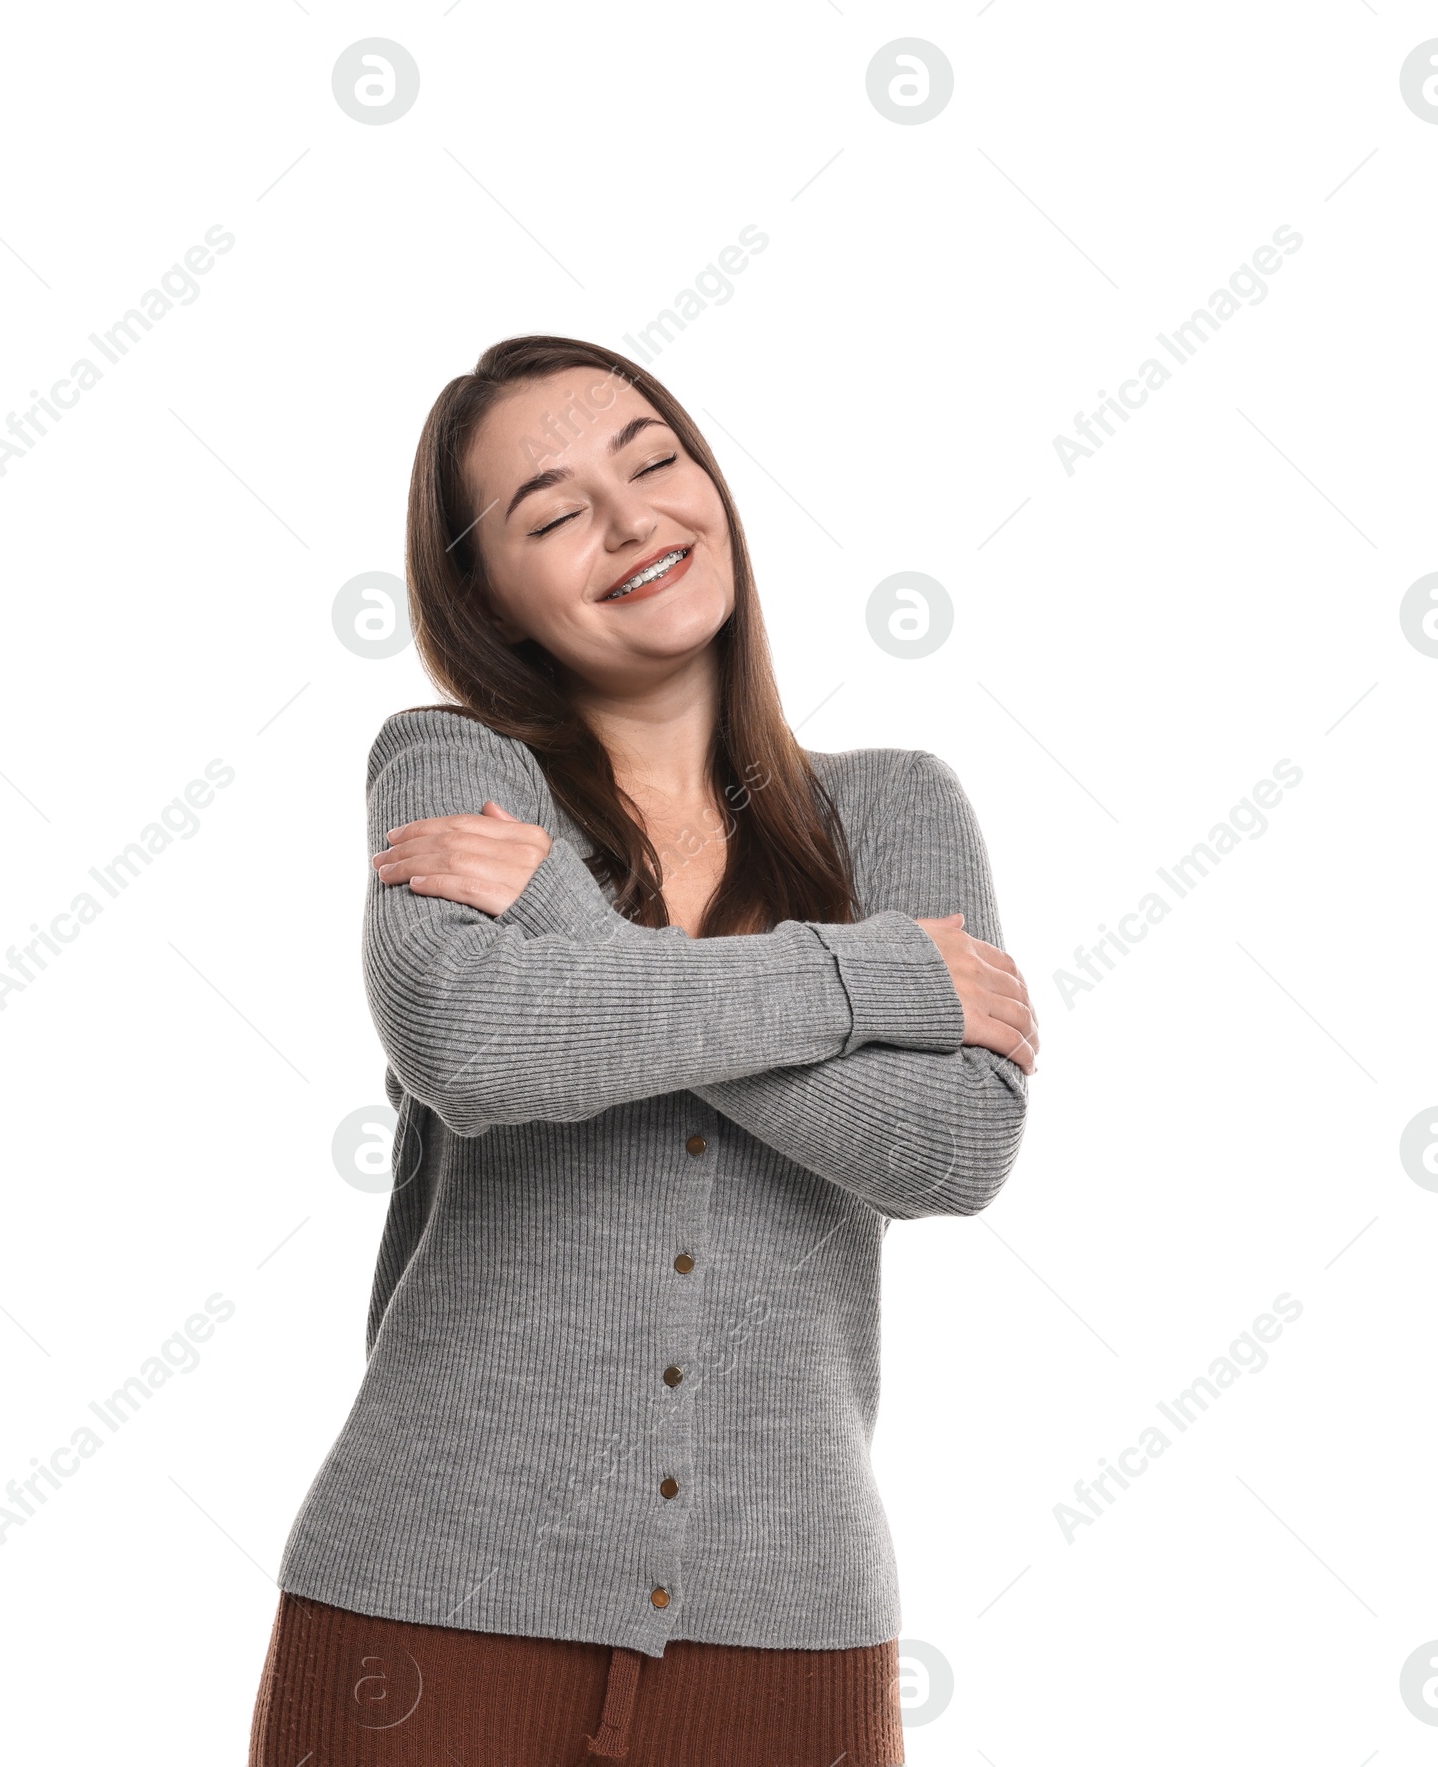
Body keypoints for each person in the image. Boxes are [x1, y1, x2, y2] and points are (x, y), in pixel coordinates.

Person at [247, 335, 1038, 1765]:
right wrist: (879, 976)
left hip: (790, 1631)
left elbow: (951, 1146)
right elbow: (474, 1043)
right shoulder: (452, 770)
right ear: (487, 594)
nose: (630, 525)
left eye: (656, 464)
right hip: (428, 1609)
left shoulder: (897, 810)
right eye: (551, 516)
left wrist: (568, 927)